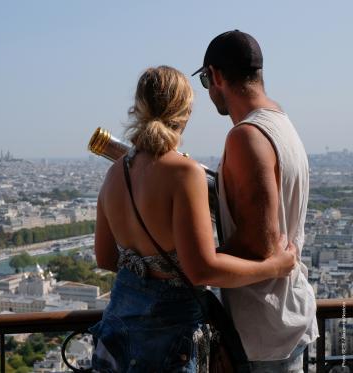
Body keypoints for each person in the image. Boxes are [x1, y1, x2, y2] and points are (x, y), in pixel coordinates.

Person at [90, 65, 297, 373]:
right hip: (169, 333)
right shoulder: (184, 173)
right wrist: (275, 266)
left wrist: (144, 263)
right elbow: (200, 269)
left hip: (119, 327)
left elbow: (105, 257)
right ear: (185, 112)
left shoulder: (115, 173)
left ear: (139, 108)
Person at [192, 30, 319, 372]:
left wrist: (189, 258)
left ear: (215, 76)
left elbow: (258, 246)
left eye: (205, 81)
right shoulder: (282, 124)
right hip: (284, 319)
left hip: (260, 328)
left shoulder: (246, 136)